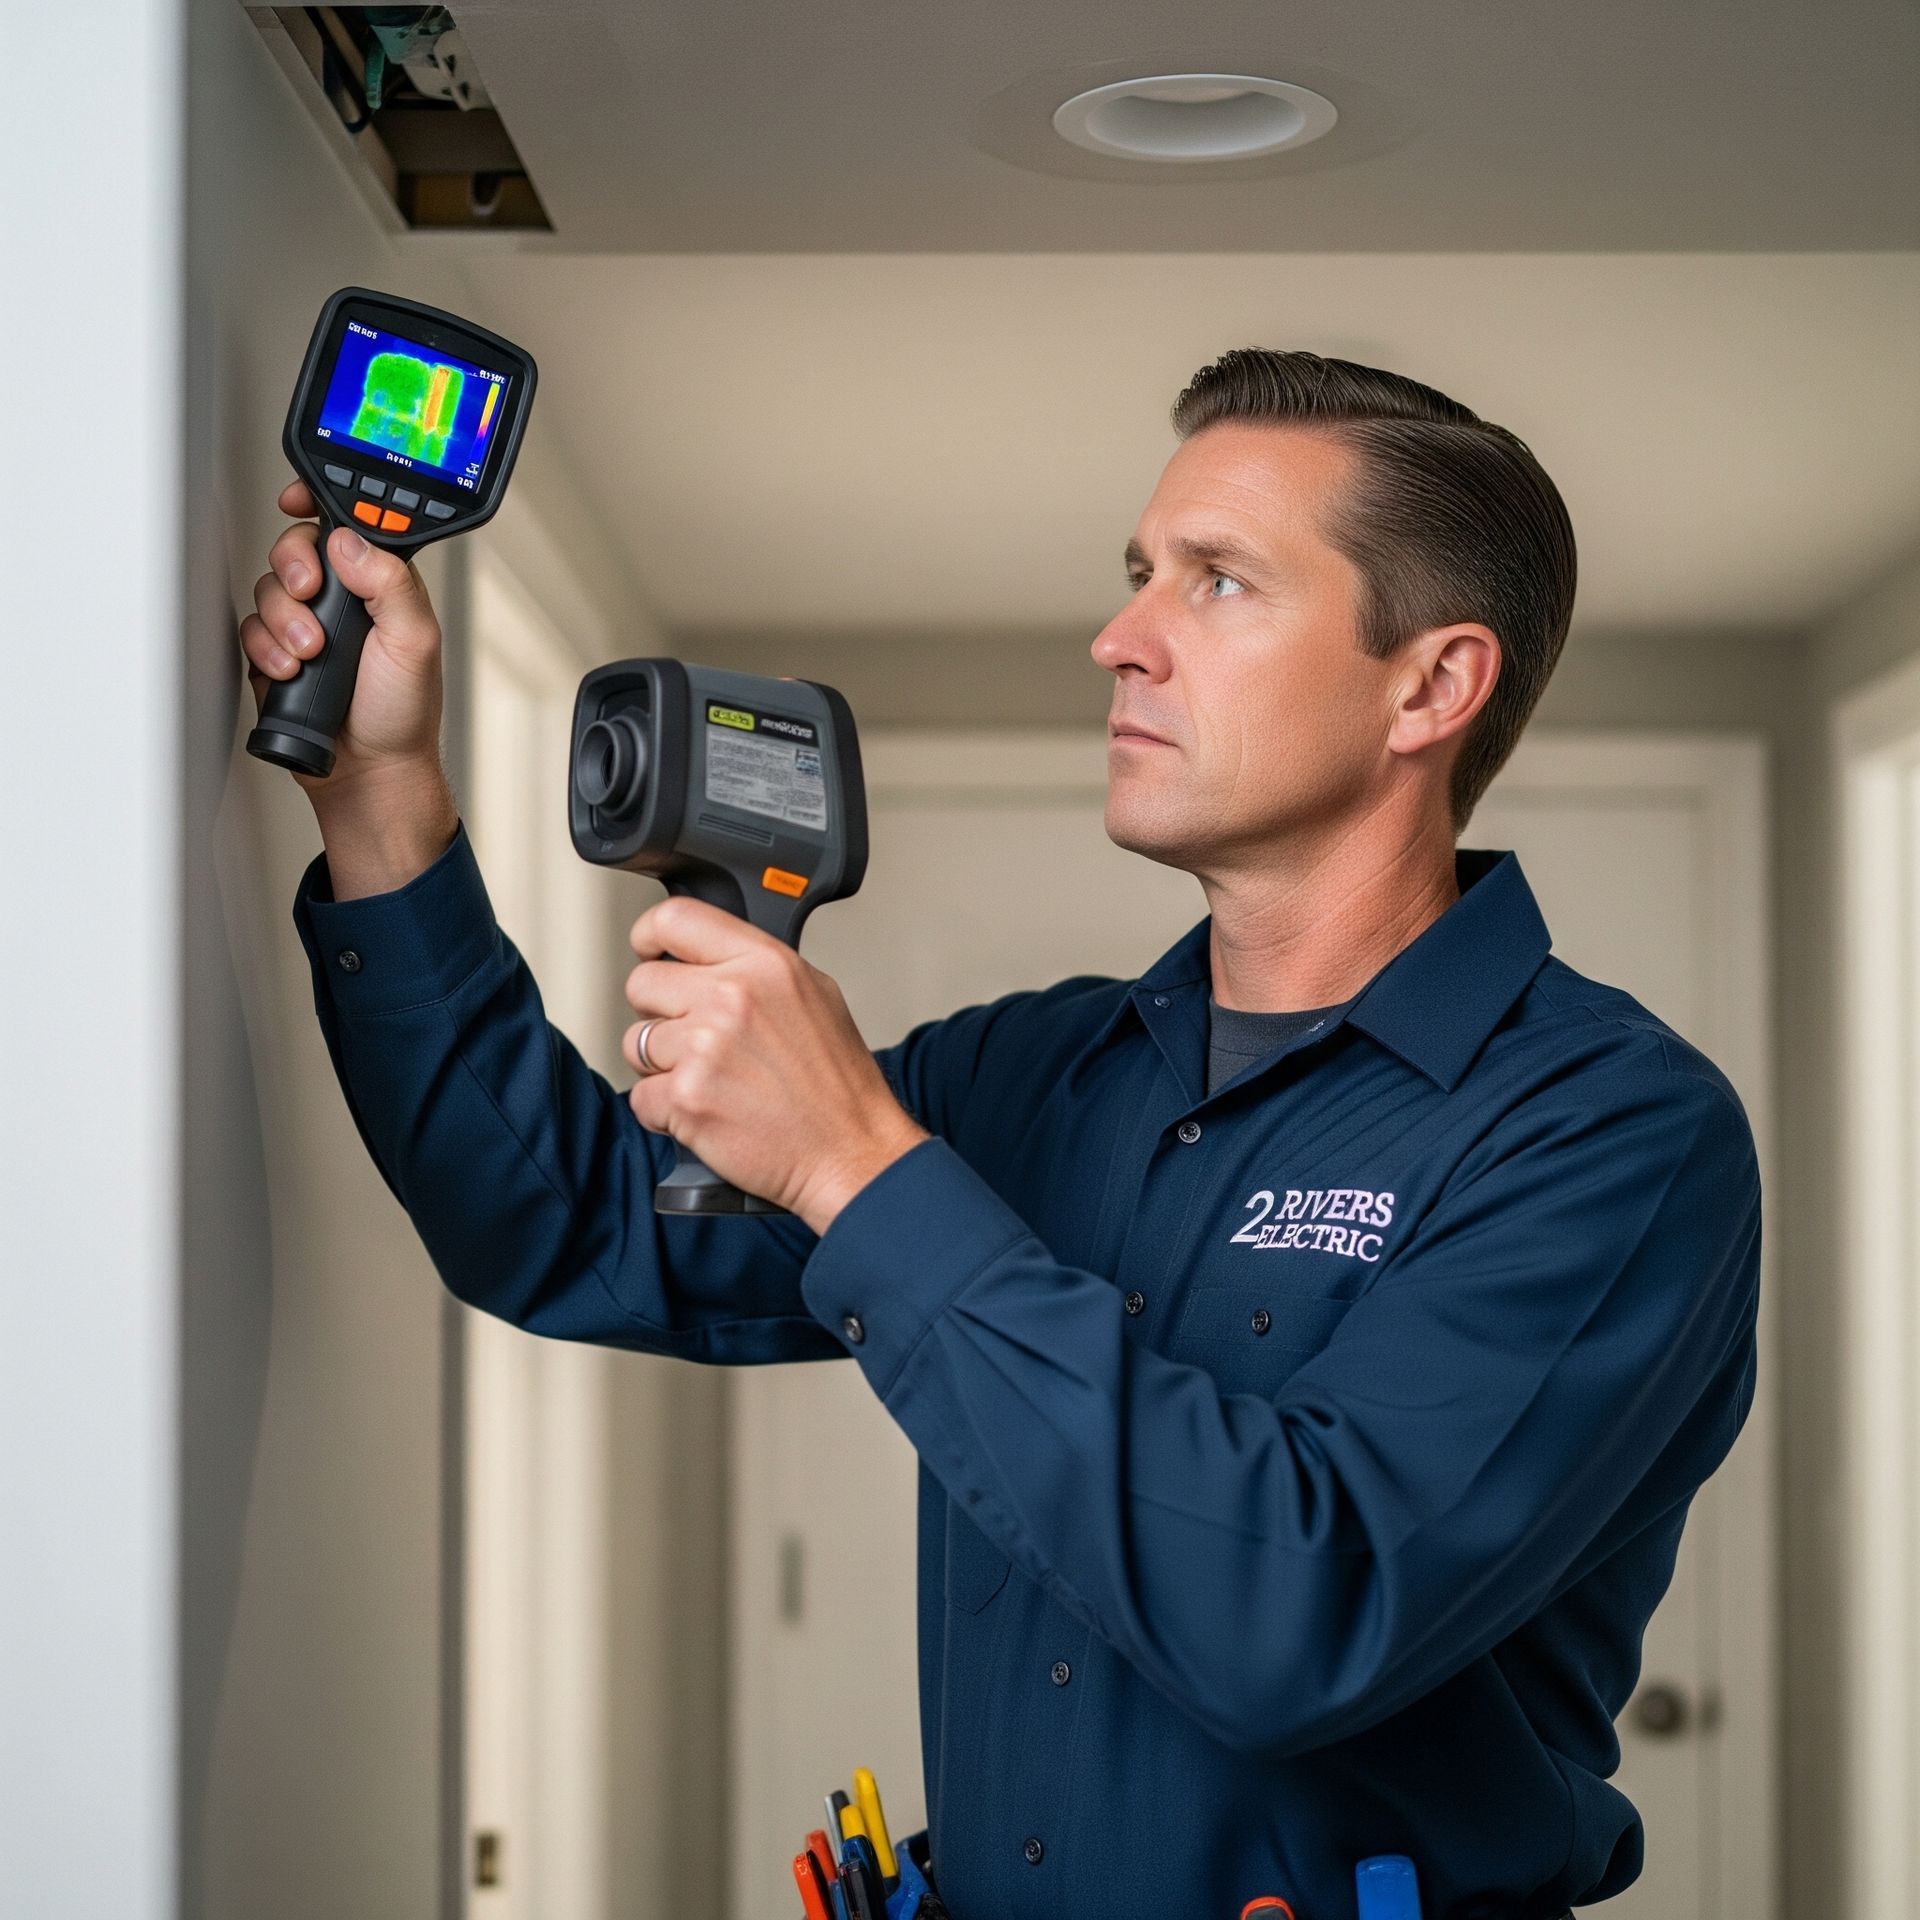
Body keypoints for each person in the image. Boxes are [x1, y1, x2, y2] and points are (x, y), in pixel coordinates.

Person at [241, 350, 1761, 1920]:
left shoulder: (1610, 1136)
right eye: (1137, 576)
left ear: (1431, 687)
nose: (1121, 639)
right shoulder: (1039, 1076)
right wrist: (381, 798)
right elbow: (572, 1229)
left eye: (1220, 583)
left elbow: (1303, 1613)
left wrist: (857, 1166)